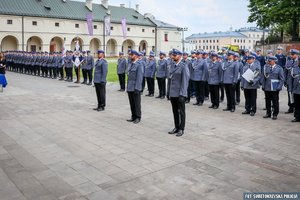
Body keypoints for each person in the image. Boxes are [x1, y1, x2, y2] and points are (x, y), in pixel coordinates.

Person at [167, 49, 190, 137]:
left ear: (179, 56)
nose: (173, 57)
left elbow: (185, 81)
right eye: (172, 55)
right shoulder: (172, 65)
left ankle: (181, 128)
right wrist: (168, 92)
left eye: (175, 55)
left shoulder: (184, 66)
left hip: (180, 93)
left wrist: (182, 94)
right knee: (175, 111)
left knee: (182, 112)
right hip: (173, 93)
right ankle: (176, 127)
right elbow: (170, 80)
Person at [261, 56, 284, 120]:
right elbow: (263, 77)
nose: (269, 62)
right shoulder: (266, 67)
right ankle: (268, 113)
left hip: (275, 88)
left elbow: (282, 79)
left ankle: (275, 114)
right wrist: (263, 86)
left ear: (274, 61)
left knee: (275, 102)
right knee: (267, 101)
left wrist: (279, 87)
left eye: (270, 61)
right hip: (267, 87)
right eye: (268, 61)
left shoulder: (279, 68)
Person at [126, 50, 144, 124]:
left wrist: (137, 88)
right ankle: (133, 116)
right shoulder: (131, 64)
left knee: (136, 103)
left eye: (132, 55)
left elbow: (139, 78)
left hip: (135, 87)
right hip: (130, 86)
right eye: (130, 55)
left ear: (136, 56)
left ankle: (138, 117)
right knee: (132, 103)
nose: (130, 56)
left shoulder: (139, 65)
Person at [284, 49, 299, 114]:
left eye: (293, 54)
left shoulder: (299, 61)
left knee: (296, 95)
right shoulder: (289, 62)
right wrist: (285, 80)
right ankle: (291, 107)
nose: (291, 56)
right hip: (289, 81)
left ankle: (296, 109)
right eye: (291, 54)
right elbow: (285, 72)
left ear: (297, 55)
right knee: (290, 94)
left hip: (297, 81)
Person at [290, 55, 300, 122]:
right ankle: (297, 117)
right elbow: (291, 79)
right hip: (296, 89)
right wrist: (291, 88)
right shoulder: (295, 68)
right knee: (296, 104)